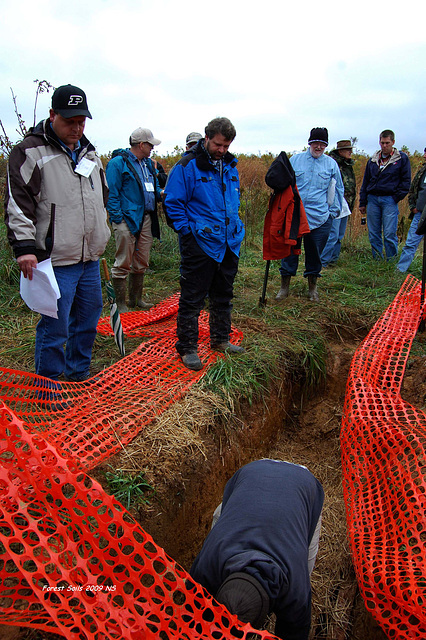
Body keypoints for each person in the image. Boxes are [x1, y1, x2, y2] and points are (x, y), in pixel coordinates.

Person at [5, 84, 110, 382]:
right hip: (54, 260)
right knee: (55, 327)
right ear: (53, 115)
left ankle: (79, 376)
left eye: (81, 121)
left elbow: (101, 197)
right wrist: (25, 247)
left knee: (88, 322)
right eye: (69, 121)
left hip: (89, 259)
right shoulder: (30, 152)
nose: (77, 128)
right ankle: (48, 387)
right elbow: (17, 203)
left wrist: (101, 231)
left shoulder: (90, 154)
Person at [190, 459, 324, 640]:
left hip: (302, 483)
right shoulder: (207, 565)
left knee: (305, 566)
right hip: (252, 473)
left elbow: (294, 632)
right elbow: (195, 611)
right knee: (219, 519)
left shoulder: (295, 589)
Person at [163, 117, 245, 371]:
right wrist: (188, 233)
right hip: (200, 243)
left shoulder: (231, 166)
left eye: (226, 145)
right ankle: (187, 348)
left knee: (223, 295)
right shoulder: (187, 167)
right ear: (207, 138)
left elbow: (232, 201)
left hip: (229, 242)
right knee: (193, 298)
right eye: (218, 144)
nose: (222, 150)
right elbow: (173, 204)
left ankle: (220, 340)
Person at [275, 127, 344, 301]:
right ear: (309, 143)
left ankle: (312, 289)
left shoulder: (331, 164)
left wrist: (332, 213)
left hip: (320, 218)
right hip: (295, 217)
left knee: (315, 255)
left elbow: (338, 190)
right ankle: (284, 288)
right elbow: (283, 184)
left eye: (322, 144)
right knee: (289, 251)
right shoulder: (295, 160)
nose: (319, 147)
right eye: (316, 143)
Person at [106, 128, 163, 312]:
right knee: (123, 260)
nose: (153, 148)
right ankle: (121, 304)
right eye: (150, 144)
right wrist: (117, 219)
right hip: (126, 219)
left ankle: (136, 300)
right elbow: (111, 194)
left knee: (142, 260)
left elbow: (154, 187)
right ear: (141, 144)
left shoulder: (148, 164)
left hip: (146, 217)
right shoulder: (117, 164)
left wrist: (162, 193)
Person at [359, 129, 411, 260]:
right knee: (374, 233)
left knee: (389, 233)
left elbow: (406, 181)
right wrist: (362, 202)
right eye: (382, 143)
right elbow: (365, 181)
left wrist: (396, 197)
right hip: (372, 199)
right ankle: (377, 260)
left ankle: (391, 261)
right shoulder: (373, 159)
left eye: (387, 143)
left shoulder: (401, 159)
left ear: (393, 142)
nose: (384, 146)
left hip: (390, 199)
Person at [321, 140, 356, 267]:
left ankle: (333, 260)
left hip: (345, 205)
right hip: (334, 204)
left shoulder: (348, 165)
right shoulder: (332, 164)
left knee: (339, 235)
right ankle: (323, 262)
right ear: (340, 151)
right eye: (348, 150)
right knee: (332, 234)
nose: (350, 152)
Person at [397, 147, 426, 272]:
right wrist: (412, 206)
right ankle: (400, 270)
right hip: (420, 214)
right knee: (411, 243)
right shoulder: (422, 171)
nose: (424, 156)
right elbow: (413, 189)